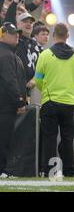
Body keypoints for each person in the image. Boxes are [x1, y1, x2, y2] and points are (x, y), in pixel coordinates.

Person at [35, 23, 74, 177]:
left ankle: (50, 171)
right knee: (68, 139)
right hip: (69, 103)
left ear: (54, 35)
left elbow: (38, 79)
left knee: (50, 138)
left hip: (49, 102)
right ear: (67, 36)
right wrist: (67, 90)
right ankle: (69, 171)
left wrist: (47, 90)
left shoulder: (45, 55)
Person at [0, 22, 27, 178]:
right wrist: (19, 101)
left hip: (5, 104)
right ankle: (2, 171)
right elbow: (10, 81)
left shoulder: (8, 54)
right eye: (12, 33)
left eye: (17, 32)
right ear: (3, 35)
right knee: (3, 138)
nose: (16, 34)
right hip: (5, 105)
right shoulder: (5, 55)